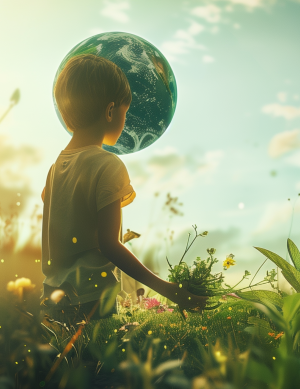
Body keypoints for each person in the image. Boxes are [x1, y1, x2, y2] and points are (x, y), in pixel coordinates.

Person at [39, 53, 207, 326]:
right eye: (124, 112)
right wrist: (166, 288)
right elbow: (109, 244)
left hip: (54, 294)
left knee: (68, 364)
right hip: (92, 298)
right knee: (98, 366)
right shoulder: (108, 164)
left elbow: (49, 242)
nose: (125, 121)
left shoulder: (55, 168)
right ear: (109, 111)